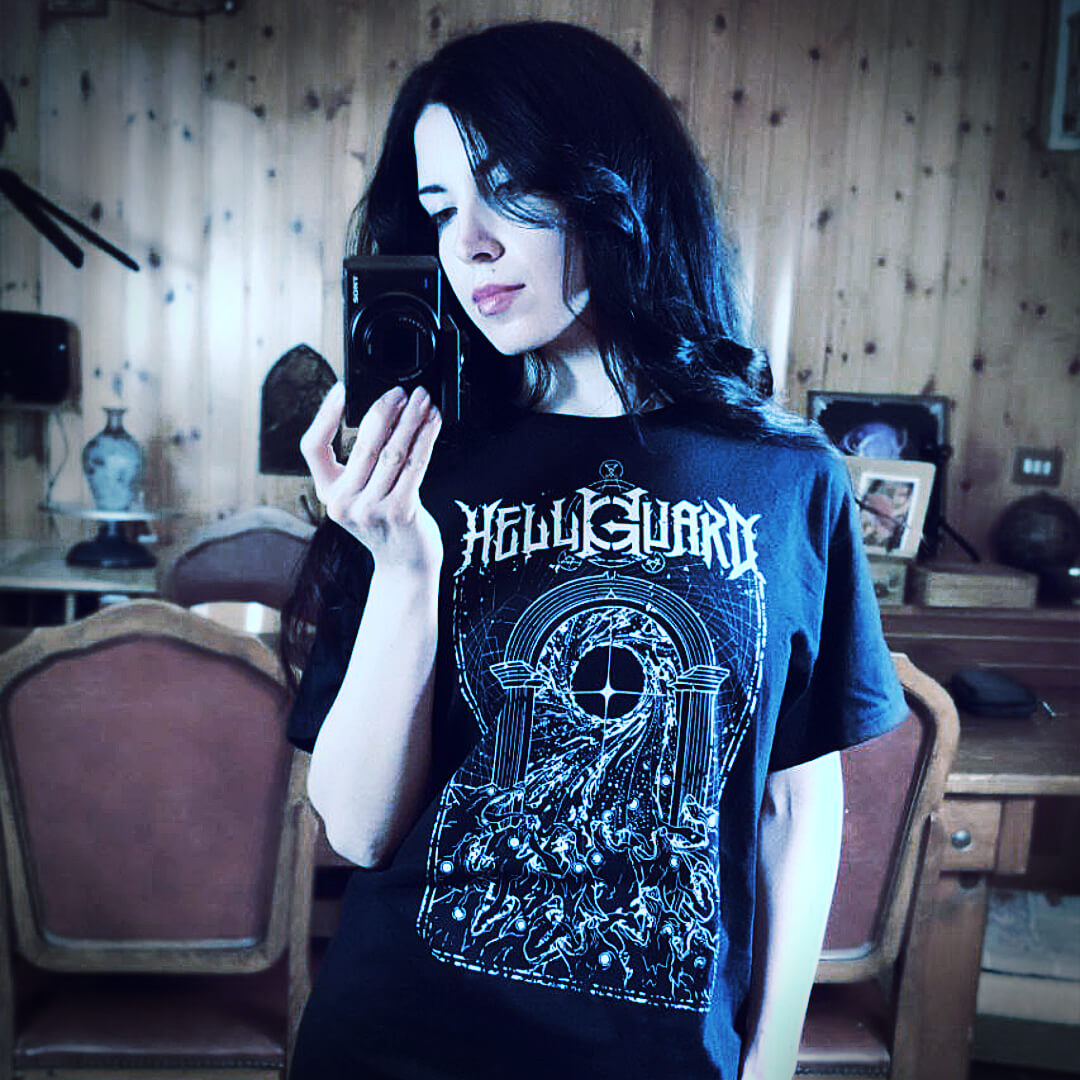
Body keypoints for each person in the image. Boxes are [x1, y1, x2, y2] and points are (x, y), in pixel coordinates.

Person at [281, 20, 906, 1080]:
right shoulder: (416, 462)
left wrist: (771, 1063)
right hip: (397, 1040)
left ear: (613, 187)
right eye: (441, 210)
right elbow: (357, 829)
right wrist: (405, 566)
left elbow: (799, 802)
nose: (471, 244)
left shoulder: (788, 477)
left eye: (510, 190)